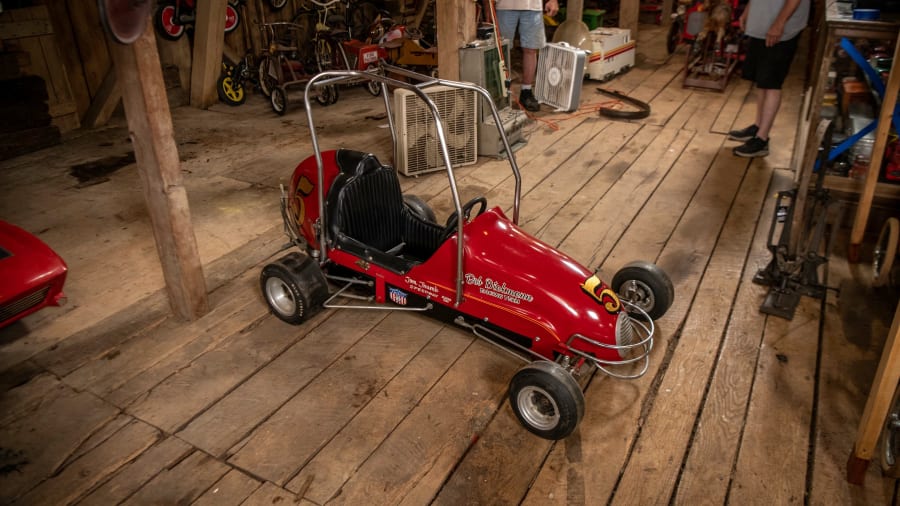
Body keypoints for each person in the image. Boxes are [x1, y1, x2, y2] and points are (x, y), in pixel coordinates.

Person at [729, 0, 810, 158]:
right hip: (764, 24)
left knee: (772, 83)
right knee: (762, 80)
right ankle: (758, 127)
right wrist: (748, 11)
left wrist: (779, 24)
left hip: (781, 29)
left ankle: (762, 139)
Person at [495, 0, 559, 112]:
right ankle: (500, 94)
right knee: (501, 50)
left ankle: (526, 92)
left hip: (533, 6)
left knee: (531, 48)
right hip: (504, 5)